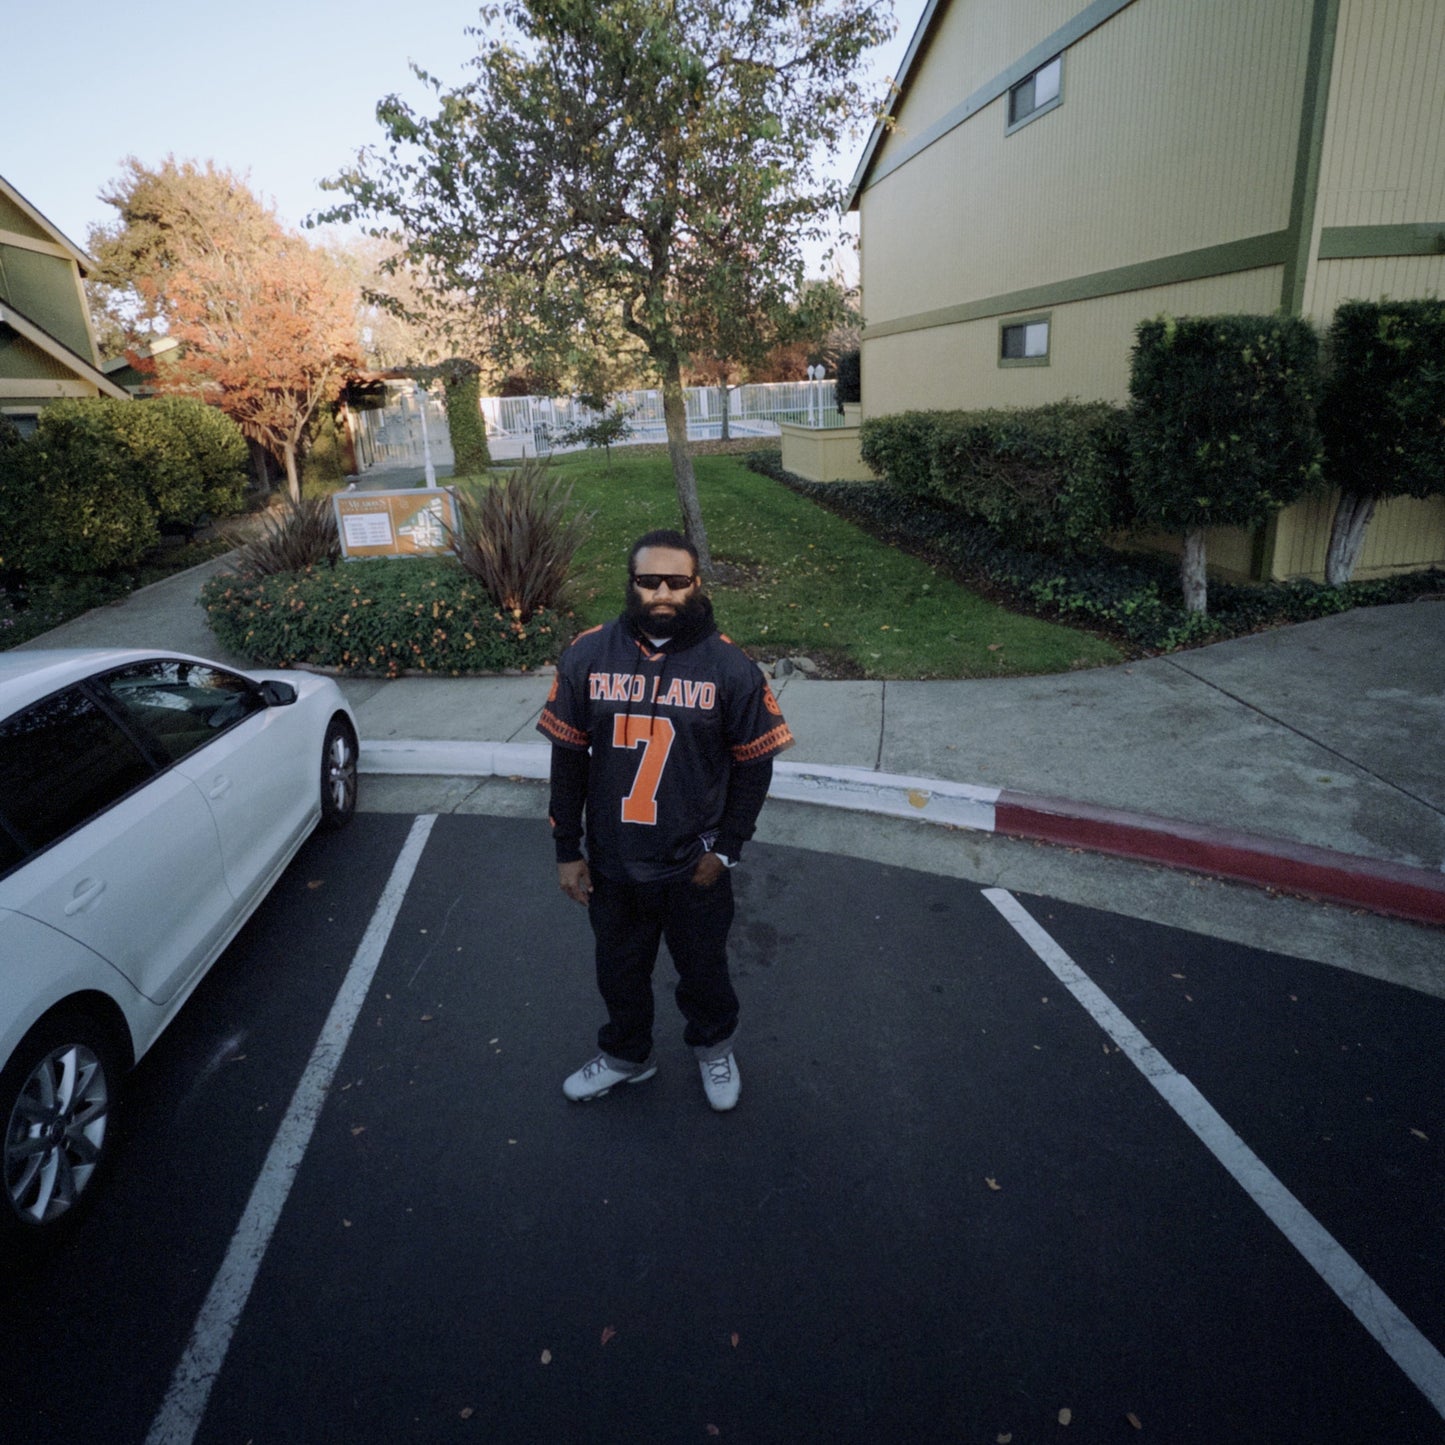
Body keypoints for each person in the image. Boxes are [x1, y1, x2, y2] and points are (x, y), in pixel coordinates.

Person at [538, 529, 793, 1111]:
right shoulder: (587, 653)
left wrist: (727, 849)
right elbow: (568, 757)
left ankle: (714, 1050)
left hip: (692, 862)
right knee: (619, 971)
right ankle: (627, 1055)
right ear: (630, 584)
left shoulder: (729, 665)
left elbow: (755, 765)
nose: (662, 593)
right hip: (612, 859)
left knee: (703, 972)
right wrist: (566, 848)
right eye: (649, 580)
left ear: (696, 586)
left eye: (676, 582)